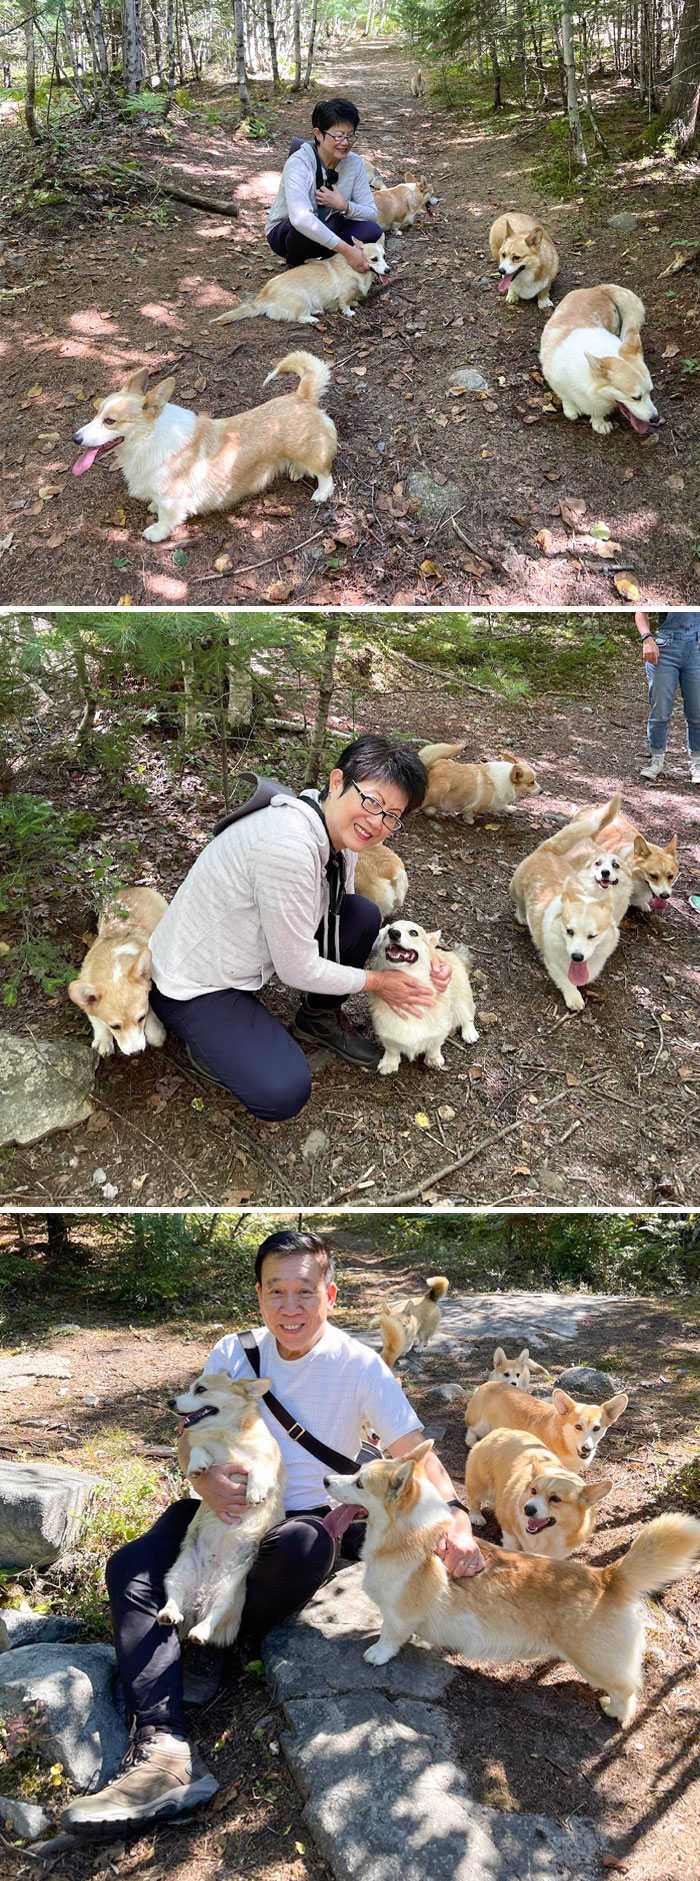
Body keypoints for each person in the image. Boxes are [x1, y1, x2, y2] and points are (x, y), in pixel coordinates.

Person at [62, 1228, 485, 1835]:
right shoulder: (233, 1353)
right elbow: (191, 1434)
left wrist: (458, 1518)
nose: (290, 1307)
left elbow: (413, 1452)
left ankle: (211, 1647)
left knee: (305, 1548)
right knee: (130, 1567)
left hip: (302, 1518)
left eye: (305, 1292)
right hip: (220, 1512)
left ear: (330, 1295)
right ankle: (163, 1749)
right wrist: (202, 1480)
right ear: (259, 1295)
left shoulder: (360, 1366)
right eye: (276, 1292)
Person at [148, 734, 450, 1121]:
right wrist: (379, 983)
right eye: (372, 801)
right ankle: (210, 1044)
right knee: (283, 1090)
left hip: (250, 953)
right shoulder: (288, 847)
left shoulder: (329, 825)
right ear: (338, 781)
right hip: (196, 983)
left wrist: (422, 962)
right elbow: (296, 969)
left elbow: (339, 917)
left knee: (361, 916)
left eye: (392, 816)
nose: (377, 822)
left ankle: (316, 1018)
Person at [265, 96, 382, 273]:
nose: (345, 143)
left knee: (371, 230)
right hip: (286, 233)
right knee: (303, 229)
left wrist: (344, 206)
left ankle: (330, 262)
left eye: (350, 136)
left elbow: (371, 213)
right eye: (338, 136)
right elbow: (300, 219)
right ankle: (295, 264)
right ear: (319, 134)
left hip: (331, 222)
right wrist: (347, 250)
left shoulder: (354, 163)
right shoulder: (299, 163)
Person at [635, 609, 700, 785]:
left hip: (696, 649)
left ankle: (697, 762)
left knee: (697, 712)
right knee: (660, 711)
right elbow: (641, 613)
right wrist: (647, 639)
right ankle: (656, 758)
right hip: (664, 650)